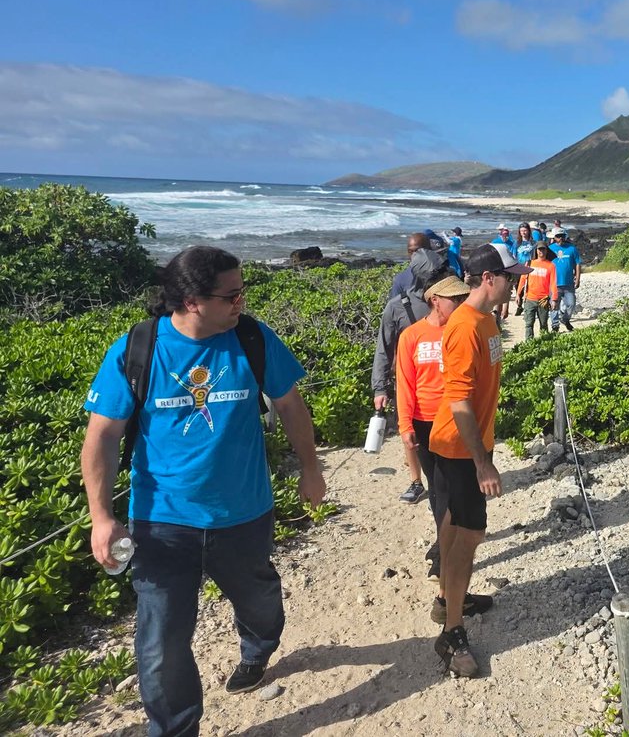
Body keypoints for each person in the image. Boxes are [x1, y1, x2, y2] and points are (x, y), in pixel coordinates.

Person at [81, 245, 325, 737]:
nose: (241, 303)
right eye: (231, 295)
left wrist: (310, 467)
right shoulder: (136, 348)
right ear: (192, 300)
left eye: (242, 292)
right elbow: (101, 437)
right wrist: (102, 518)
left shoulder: (253, 338)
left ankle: (258, 647)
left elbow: (291, 406)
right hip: (162, 521)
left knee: (258, 602)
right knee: (161, 643)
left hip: (244, 514)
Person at [429, 243, 531, 678]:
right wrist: (481, 463)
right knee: (470, 535)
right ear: (488, 278)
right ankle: (451, 632)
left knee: (454, 522)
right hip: (459, 446)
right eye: (511, 277)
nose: (516, 284)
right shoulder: (464, 326)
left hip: (470, 443)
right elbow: (458, 401)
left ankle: (447, 600)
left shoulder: (488, 320)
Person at [396, 275, 472, 580]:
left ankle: (444, 553)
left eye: (463, 298)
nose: (460, 303)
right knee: (437, 488)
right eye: (455, 299)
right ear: (435, 300)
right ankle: (443, 543)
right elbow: (404, 383)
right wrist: (405, 424)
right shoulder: (411, 336)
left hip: (454, 420)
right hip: (423, 421)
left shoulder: (462, 331)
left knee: (448, 487)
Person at [375, 232, 437, 503]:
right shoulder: (398, 294)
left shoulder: (446, 289)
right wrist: (380, 386)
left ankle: (438, 484)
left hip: (438, 372)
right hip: (408, 371)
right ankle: (416, 480)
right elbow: (385, 344)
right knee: (407, 427)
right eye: (411, 251)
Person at [517, 242, 558, 340]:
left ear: (546, 251)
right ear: (536, 251)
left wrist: (554, 299)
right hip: (530, 299)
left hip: (543, 300)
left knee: (543, 324)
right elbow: (523, 279)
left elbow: (553, 283)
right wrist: (518, 294)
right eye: (539, 249)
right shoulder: (529, 263)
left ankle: (545, 343)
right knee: (529, 324)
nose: (541, 251)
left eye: (543, 249)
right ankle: (529, 344)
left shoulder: (551, 265)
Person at [548, 228, 582, 332]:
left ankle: (565, 319)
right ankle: (555, 325)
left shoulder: (572, 248)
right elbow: (545, 264)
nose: (561, 238)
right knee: (554, 305)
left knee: (571, 304)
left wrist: (578, 278)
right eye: (558, 236)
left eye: (562, 236)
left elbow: (578, 264)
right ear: (554, 237)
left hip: (568, 283)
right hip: (554, 283)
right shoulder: (550, 248)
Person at [489, 226, 516, 322]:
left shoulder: (512, 243)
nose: (505, 236)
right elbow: (491, 254)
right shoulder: (495, 242)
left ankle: (504, 311)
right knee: (498, 291)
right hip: (497, 269)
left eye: (507, 234)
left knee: (507, 290)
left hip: (508, 269)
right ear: (500, 234)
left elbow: (513, 256)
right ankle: (496, 315)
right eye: (504, 234)